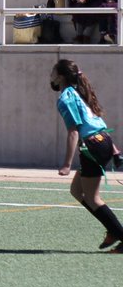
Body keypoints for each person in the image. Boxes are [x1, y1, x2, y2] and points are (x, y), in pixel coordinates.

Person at [50, 59, 123, 251]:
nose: (50, 75)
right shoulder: (80, 92)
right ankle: (113, 230)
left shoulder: (66, 98)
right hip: (103, 141)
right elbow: (97, 124)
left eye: (53, 71)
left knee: (92, 198)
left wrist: (67, 164)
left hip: (93, 146)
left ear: (60, 76)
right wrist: (115, 150)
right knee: (77, 191)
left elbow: (73, 131)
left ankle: (119, 233)